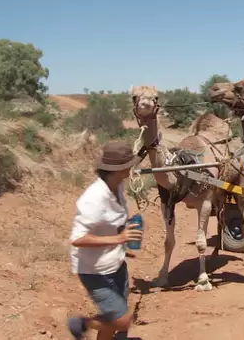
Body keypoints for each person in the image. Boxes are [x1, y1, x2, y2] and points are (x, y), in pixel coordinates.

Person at [67, 141, 144, 340]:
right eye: (129, 164)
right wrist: (119, 238)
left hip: (116, 265)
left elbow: (110, 222)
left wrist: (122, 240)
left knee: (112, 318)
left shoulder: (116, 186)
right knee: (122, 320)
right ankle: (83, 323)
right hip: (95, 272)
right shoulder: (93, 198)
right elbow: (77, 238)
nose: (132, 167)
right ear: (118, 169)